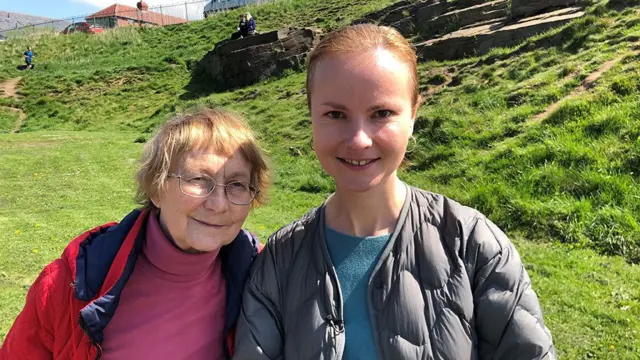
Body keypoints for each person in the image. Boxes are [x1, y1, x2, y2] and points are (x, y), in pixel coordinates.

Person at [233, 24, 556, 360]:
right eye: (335, 114)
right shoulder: (278, 262)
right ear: (311, 116)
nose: (359, 140)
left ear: (414, 113)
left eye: (381, 113)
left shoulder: (473, 245)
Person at [0, 108, 270, 360]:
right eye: (198, 179)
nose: (219, 204)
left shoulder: (264, 278)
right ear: (156, 188)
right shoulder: (70, 283)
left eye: (237, 184)